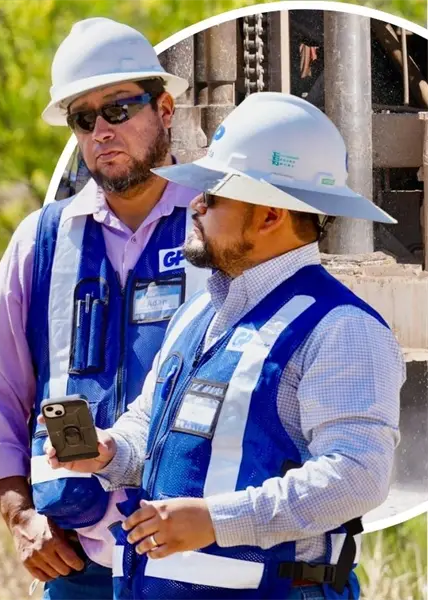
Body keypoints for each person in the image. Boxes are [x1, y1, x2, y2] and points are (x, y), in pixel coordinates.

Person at [45, 91, 405, 599]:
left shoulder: (342, 329)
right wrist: (108, 452)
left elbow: (356, 477)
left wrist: (217, 521)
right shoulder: (199, 313)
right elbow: (150, 425)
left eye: (214, 194)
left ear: (269, 217)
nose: (195, 204)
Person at [0, 17, 209, 599]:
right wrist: (18, 513)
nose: (102, 130)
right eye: (83, 117)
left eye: (119, 109)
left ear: (165, 109)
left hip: (200, 564)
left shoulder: (218, 224)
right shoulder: (41, 239)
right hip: (80, 567)